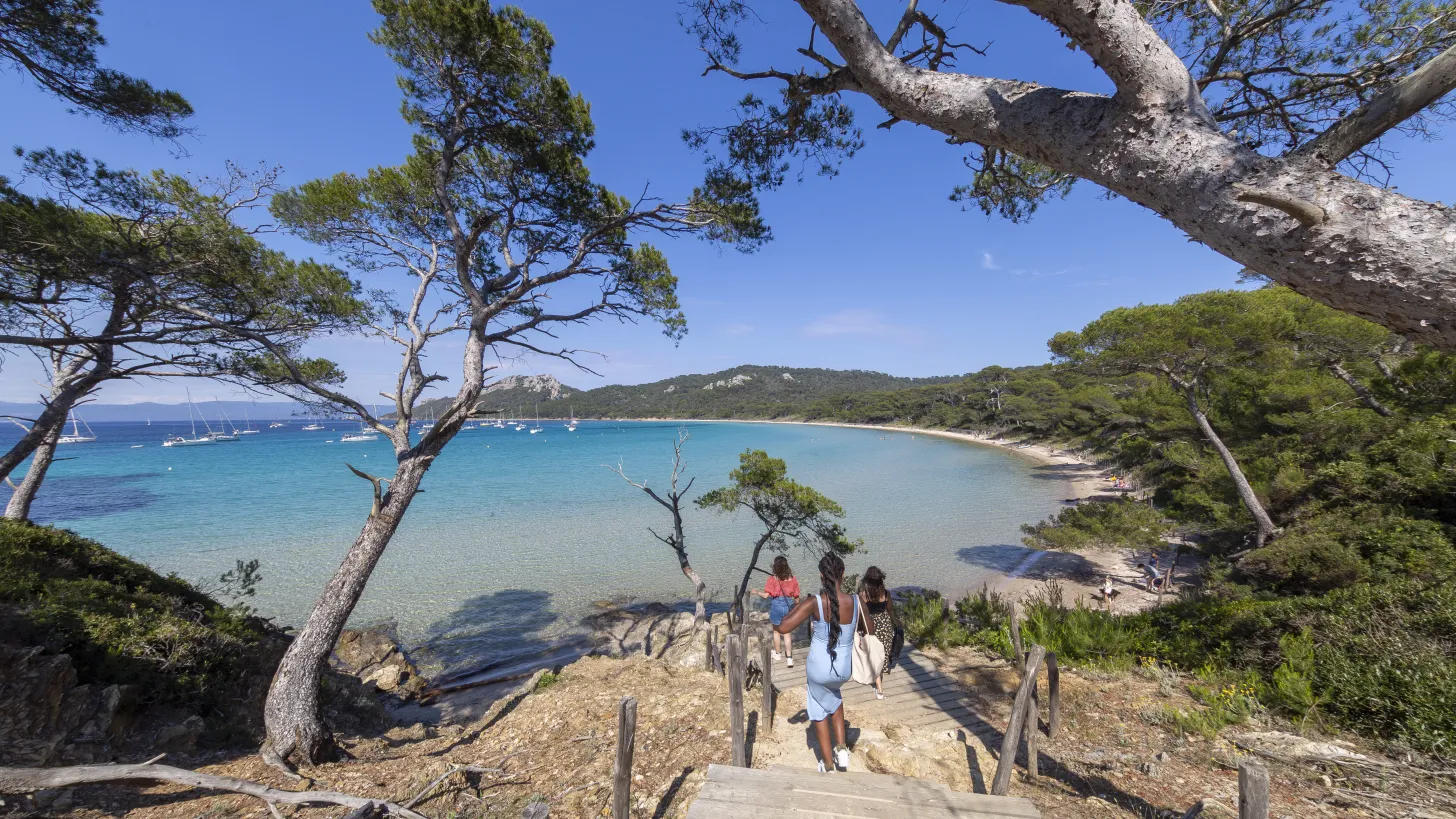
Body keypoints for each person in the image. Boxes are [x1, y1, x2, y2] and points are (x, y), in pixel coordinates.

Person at [775, 553, 859, 773]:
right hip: (843, 668)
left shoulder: (816, 602)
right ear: (843, 574)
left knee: (818, 709)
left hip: (819, 669)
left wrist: (799, 605)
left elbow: (783, 627)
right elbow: (869, 627)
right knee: (834, 697)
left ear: (822, 576)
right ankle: (842, 750)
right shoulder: (856, 601)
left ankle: (828, 764)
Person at [754, 556, 800, 667]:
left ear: (775, 566)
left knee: (776, 632)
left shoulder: (772, 579)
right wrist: (797, 606)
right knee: (787, 633)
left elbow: (766, 596)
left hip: (776, 607)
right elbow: (796, 596)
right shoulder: (792, 579)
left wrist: (756, 592)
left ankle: (778, 654)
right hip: (788, 607)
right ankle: (789, 659)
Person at [858, 566, 895, 700]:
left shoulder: (863, 595)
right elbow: (890, 610)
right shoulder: (885, 593)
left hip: (871, 626)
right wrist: (896, 624)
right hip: (885, 625)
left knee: (875, 655)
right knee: (883, 653)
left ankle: (879, 689)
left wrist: (859, 630)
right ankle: (879, 678)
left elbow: (860, 614)